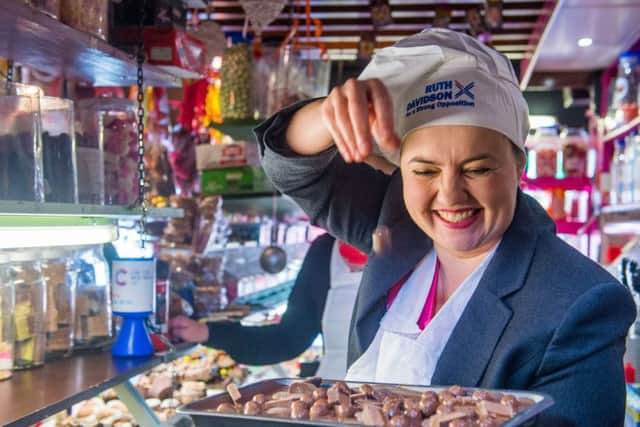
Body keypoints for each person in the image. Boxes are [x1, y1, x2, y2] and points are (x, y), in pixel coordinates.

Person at [254, 28, 635, 426]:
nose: (450, 195)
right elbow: (289, 166)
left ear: (519, 167)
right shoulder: (397, 224)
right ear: (401, 172)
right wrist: (327, 115)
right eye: (425, 170)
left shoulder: (581, 302)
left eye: (478, 168)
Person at [169, 234, 368, 379]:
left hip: (394, 405)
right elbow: (287, 339)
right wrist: (208, 333)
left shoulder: (399, 247)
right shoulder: (324, 250)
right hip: (332, 403)